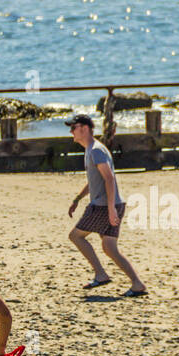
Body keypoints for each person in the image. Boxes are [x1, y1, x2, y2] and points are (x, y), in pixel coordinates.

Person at [64, 113, 147, 297]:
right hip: (113, 203)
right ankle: (137, 283)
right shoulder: (92, 149)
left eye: (73, 128)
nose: (71, 132)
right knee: (110, 248)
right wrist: (77, 199)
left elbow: (109, 178)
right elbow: (95, 180)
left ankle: (101, 274)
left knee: (76, 236)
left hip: (103, 206)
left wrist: (110, 209)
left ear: (84, 129)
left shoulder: (96, 150)